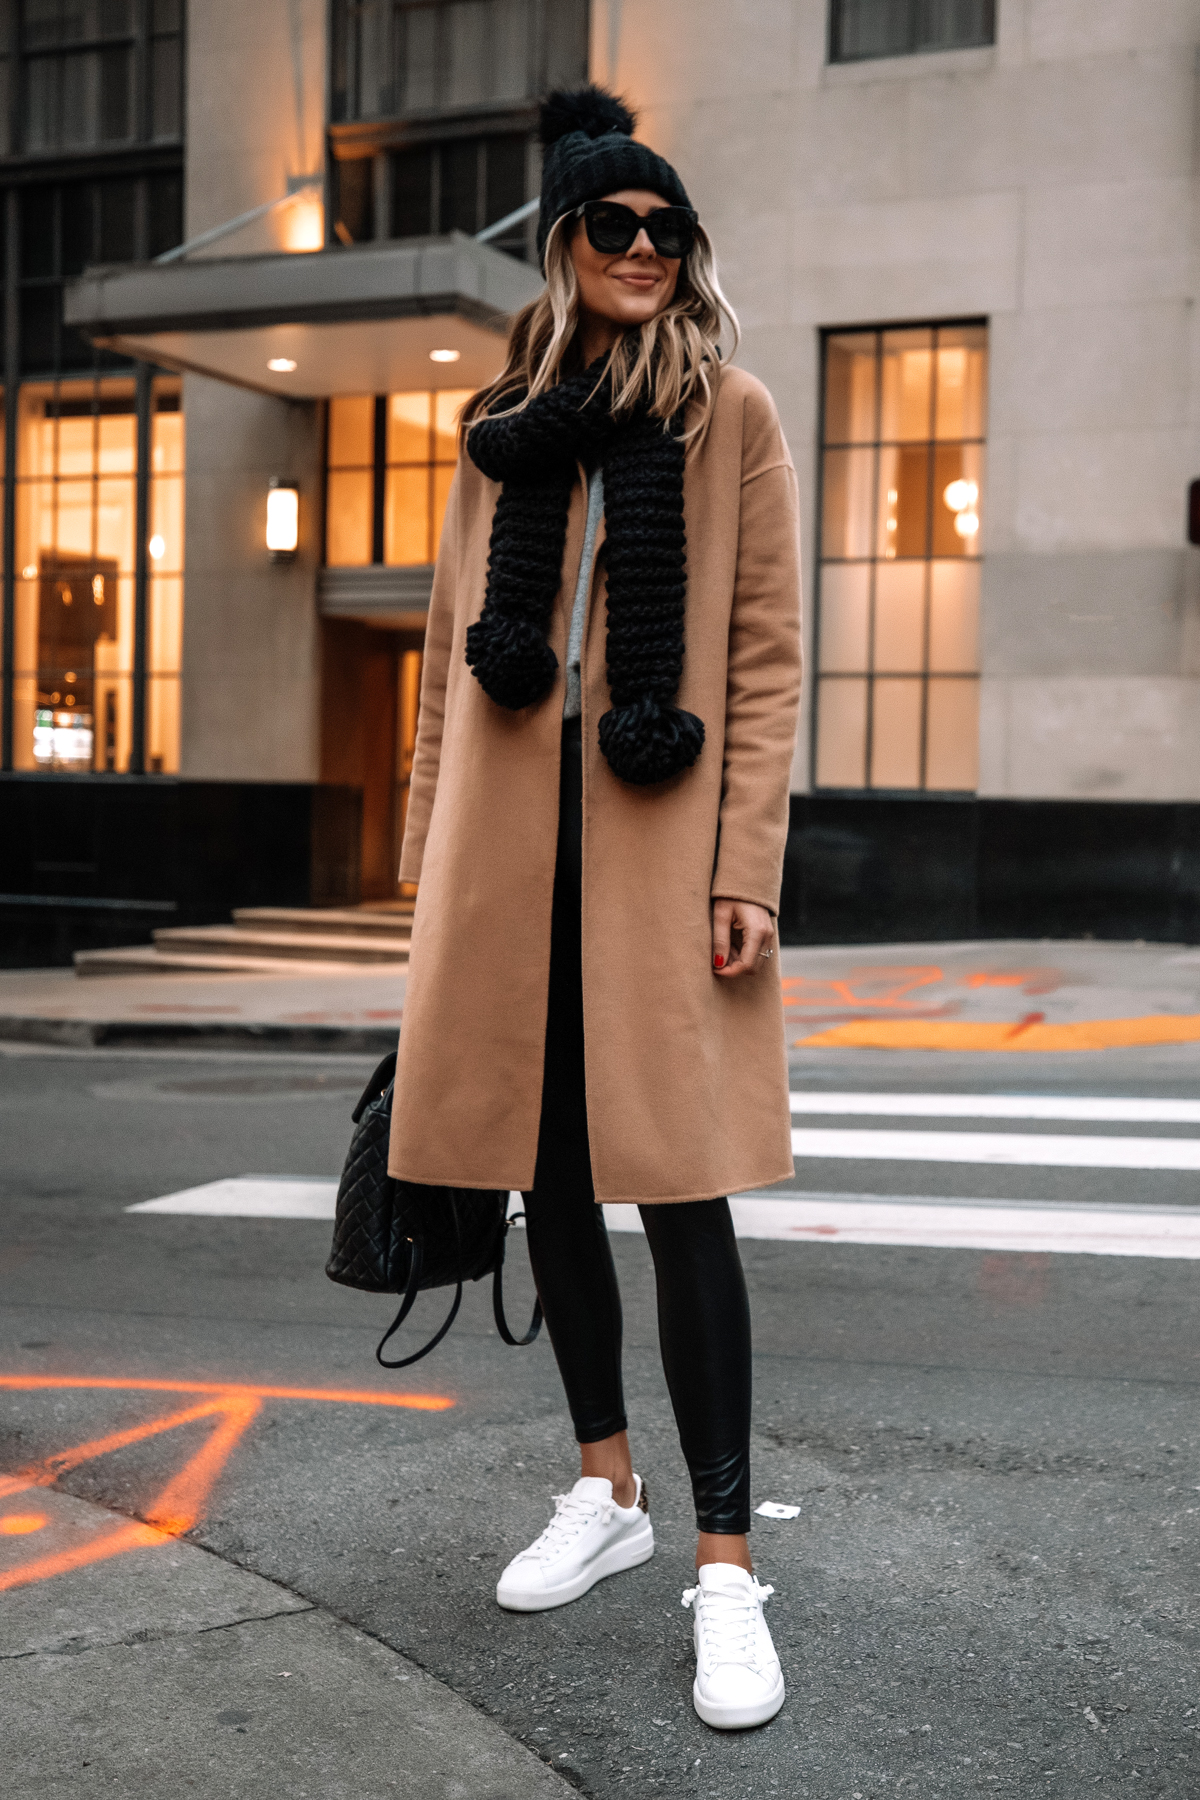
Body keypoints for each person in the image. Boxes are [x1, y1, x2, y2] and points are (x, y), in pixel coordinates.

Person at [389, 85, 802, 1732]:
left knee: (682, 1199)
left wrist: (748, 869)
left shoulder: (731, 417)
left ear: (687, 255)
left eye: (668, 231)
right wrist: (429, 879)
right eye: (615, 227)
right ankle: (606, 1492)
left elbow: (766, 659)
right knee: (546, 1186)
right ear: (566, 246)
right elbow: (443, 664)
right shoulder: (502, 430)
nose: (644, 251)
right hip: (507, 875)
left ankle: (722, 1567)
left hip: (657, 861)